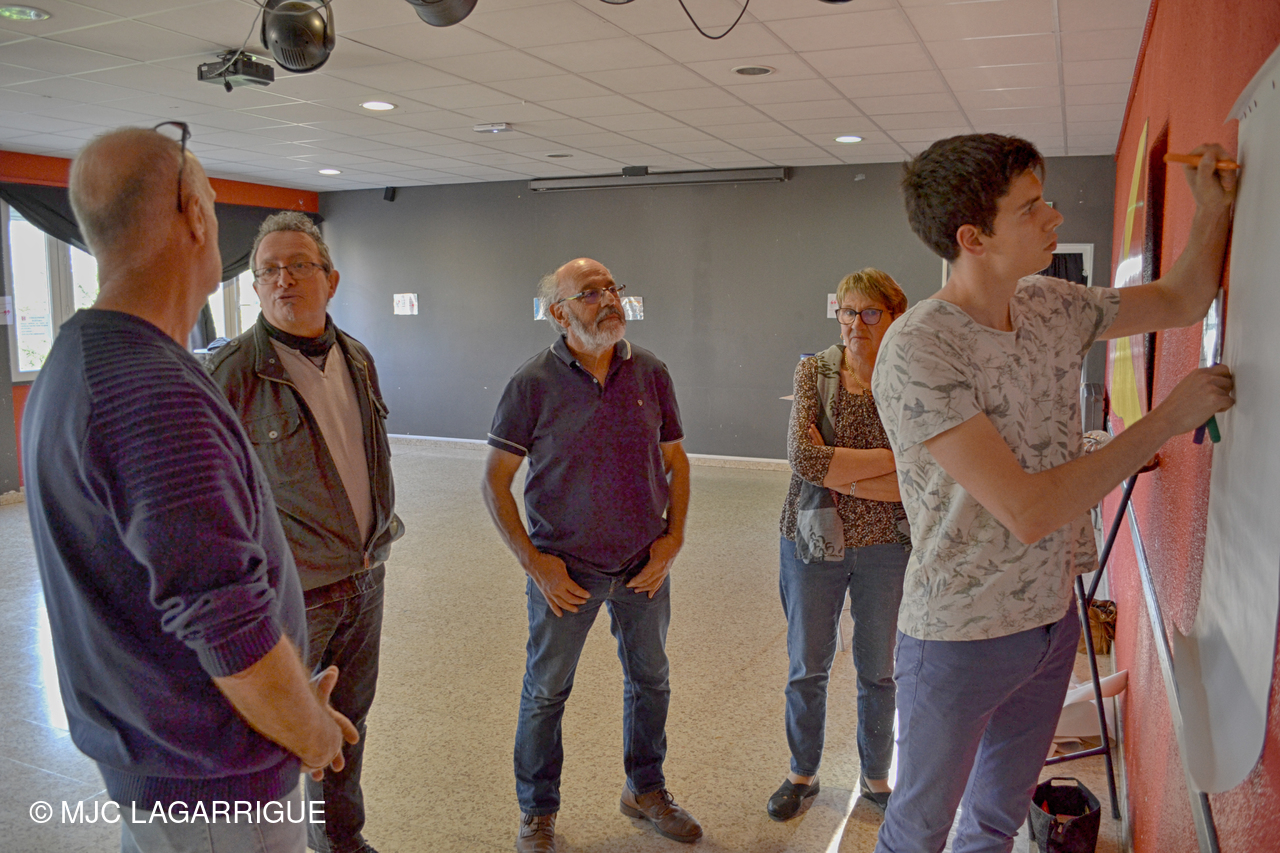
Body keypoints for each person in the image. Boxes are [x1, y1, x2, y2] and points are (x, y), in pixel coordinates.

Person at [870, 133, 1237, 853]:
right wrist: (1167, 419)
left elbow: (1184, 297)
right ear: (973, 238)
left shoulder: (1050, 304)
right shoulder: (920, 348)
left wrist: (1214, 208)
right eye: (1030, 208)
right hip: (959, 637)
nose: (1055, 217)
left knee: (995, 822)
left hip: (1050, 620)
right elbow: (1030, 509)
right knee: (917, 832)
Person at [22, 125, 357, 853]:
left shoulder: (80, 357)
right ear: (196, 217)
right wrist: (311, 730)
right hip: (216, 790)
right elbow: (226, 621)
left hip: (170, 767)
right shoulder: (154, 394)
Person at [481, 258, 701, 852]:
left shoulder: (650, 371)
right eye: (589, 293)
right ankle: (537, 811)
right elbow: (495, 481)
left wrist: (673, 539)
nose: (607, 300)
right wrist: (535, 563)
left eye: (611, 288)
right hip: (566, 573)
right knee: (546, 691)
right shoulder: (532, 383)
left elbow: (676, 463)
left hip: (643, 566)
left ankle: (645, 790)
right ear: (559, 313)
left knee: (651, 680)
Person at [207, 211, 403, 853]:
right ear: (254, 286)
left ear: (331, 279)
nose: (283, 280)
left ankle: (340, 840)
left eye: (298, 266)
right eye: (268, 271)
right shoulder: (232, 373)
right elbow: (209, 501)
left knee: (348, 721)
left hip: (366, 577)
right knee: (267, 731)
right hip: (293, 587)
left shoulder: (357, 357)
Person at [768, 269, 911, 822]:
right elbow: (803, 459)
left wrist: (841, 472)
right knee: (808, 665)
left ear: (894, 316)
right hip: (811, 540)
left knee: (879, 670)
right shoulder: (815, 371)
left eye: (870, 312)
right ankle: (801, 773)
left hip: (886, 544)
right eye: (847, 311)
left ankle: (876, 777)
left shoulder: (909, 378)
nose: (856, 323)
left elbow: (918, 470)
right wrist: (884, 464)